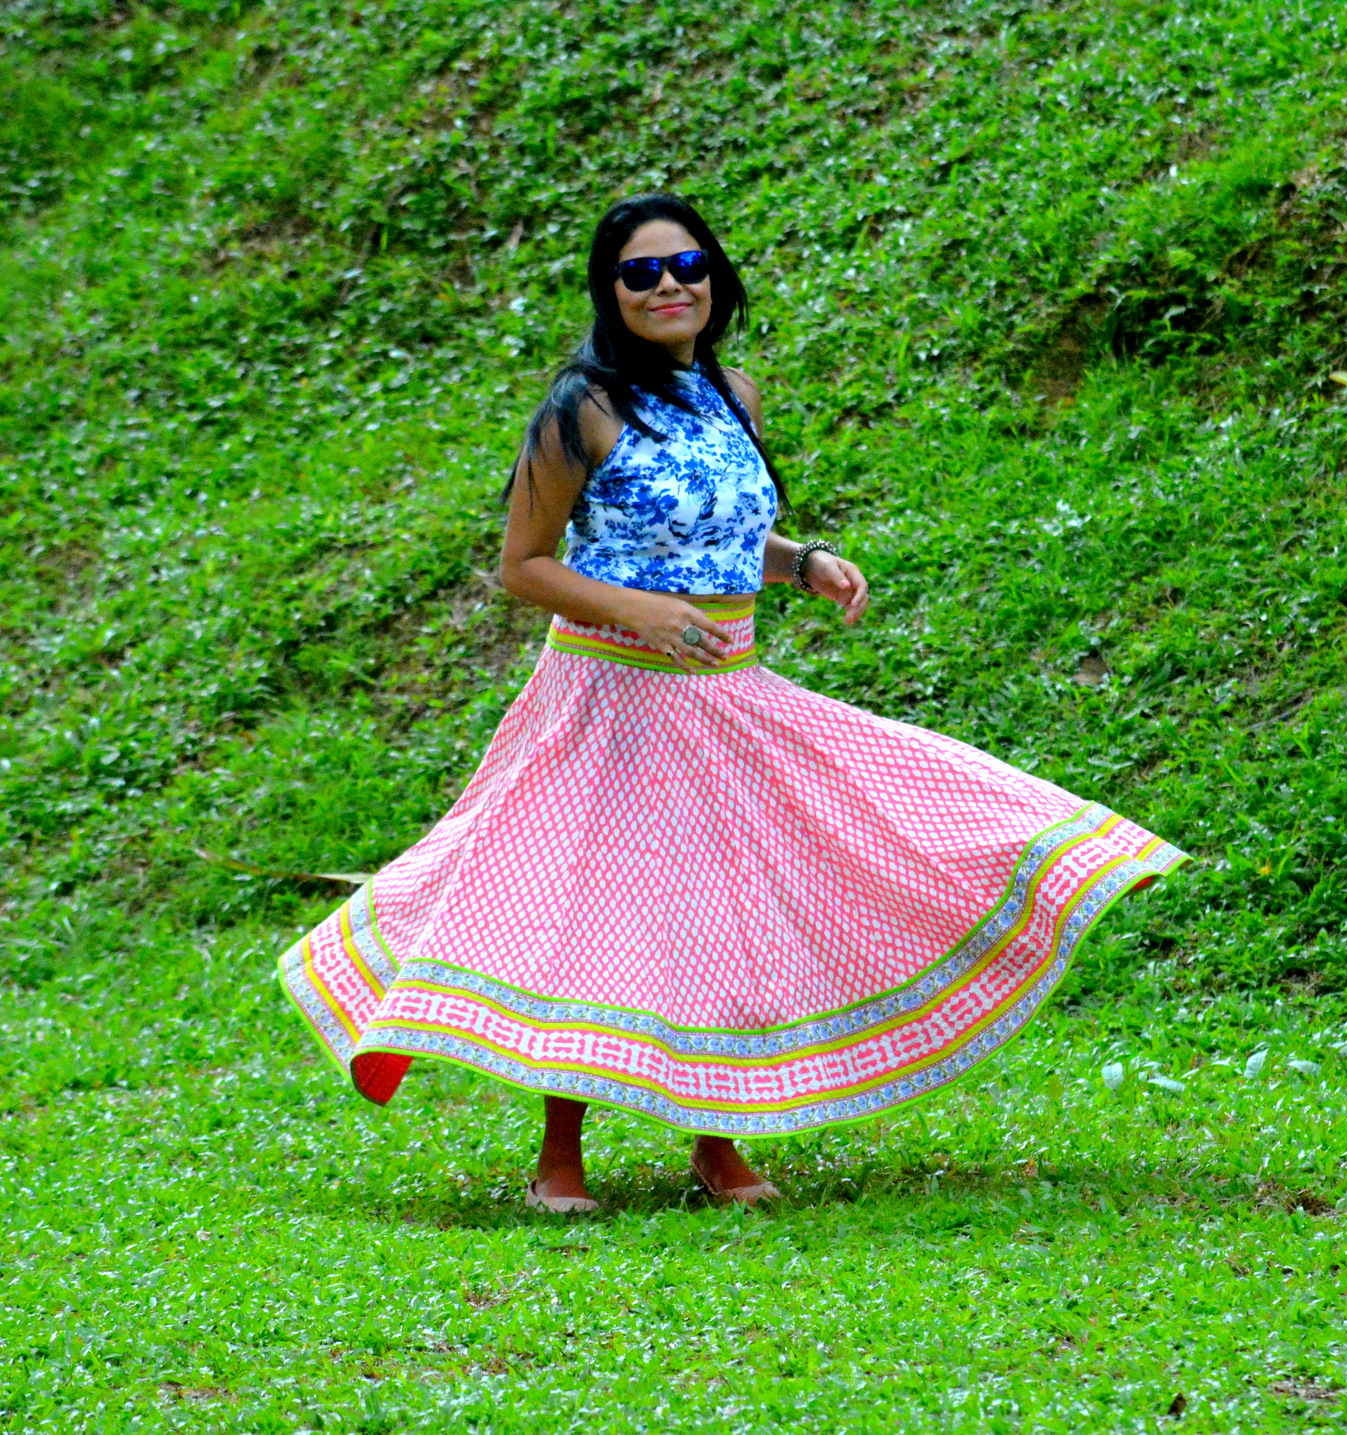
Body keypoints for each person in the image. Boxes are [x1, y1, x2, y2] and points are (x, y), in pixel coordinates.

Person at [276, 193, 1188, 1212]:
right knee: (595, 916)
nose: (668, 285)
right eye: (641, 272)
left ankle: (720, 1143)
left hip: (723, 693)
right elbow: (523, 564)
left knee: (730, 907)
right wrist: (642, 614)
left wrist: (803, 561)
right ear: (610, 292)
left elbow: (718, 533)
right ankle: (558, 1159)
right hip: (609, 699)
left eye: (687, 265)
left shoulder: (732, 394)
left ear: (716, 278)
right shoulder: (581, 407)